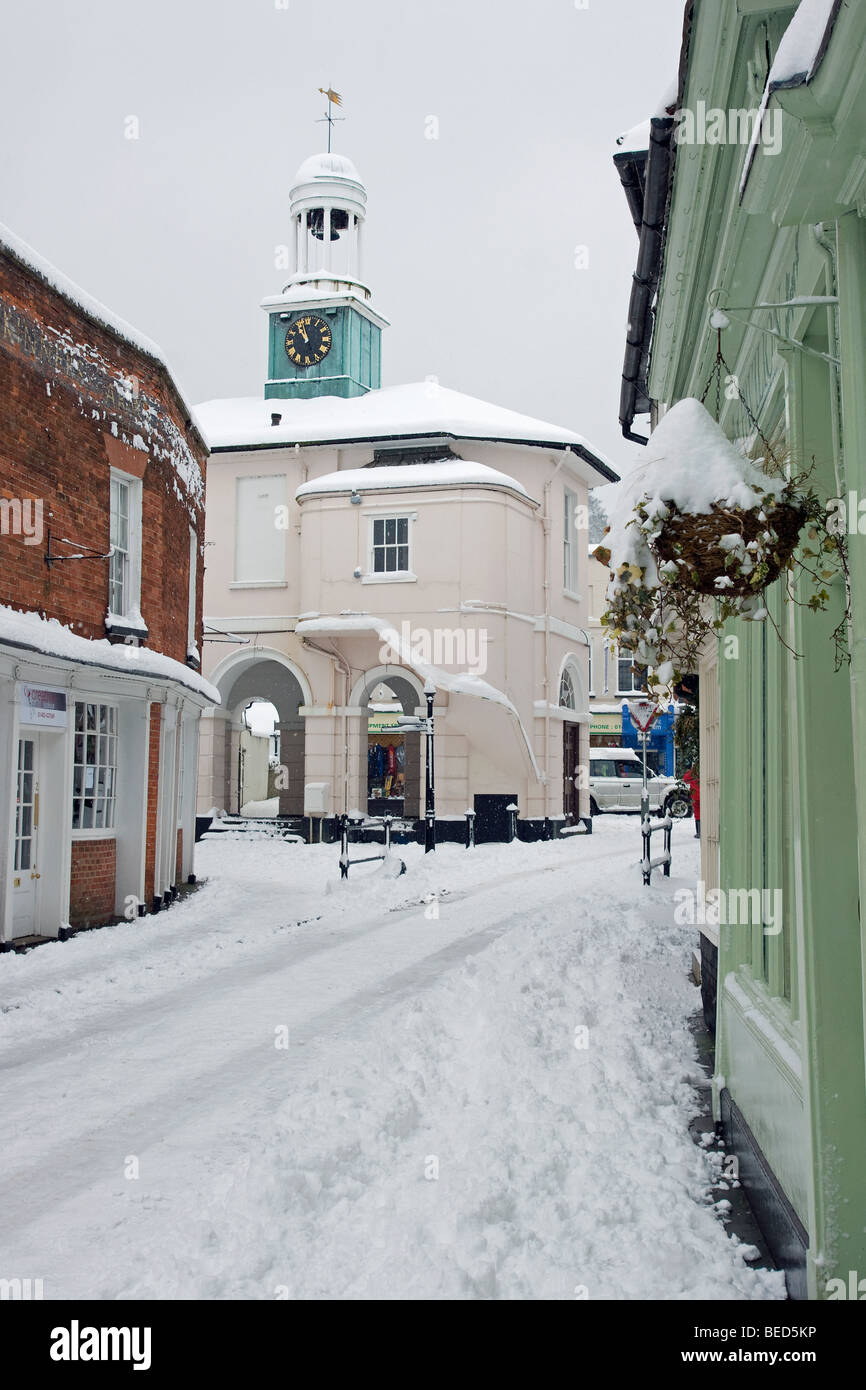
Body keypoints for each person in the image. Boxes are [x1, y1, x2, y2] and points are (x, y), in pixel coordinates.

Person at [683, 764, 701, 838]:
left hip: (696, 796)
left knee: (698, 814)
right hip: (700, 796)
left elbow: (686, 779)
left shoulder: (692, 774)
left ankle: (699, 832)